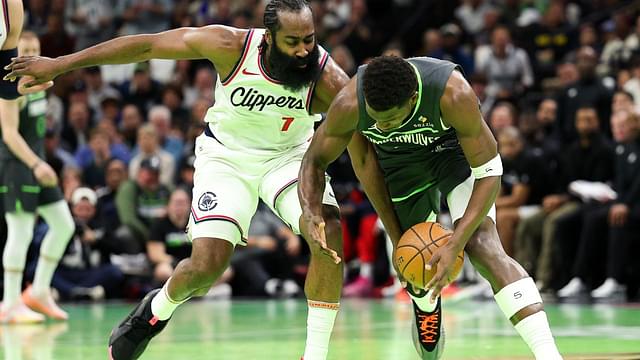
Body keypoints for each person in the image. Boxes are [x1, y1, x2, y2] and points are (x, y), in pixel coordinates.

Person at [6, 1, 349, 359]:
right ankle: (155, 312)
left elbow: (359, 141)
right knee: (205, 268)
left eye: (308, 39)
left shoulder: (326, 77)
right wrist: (61, 64)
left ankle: (315, 354)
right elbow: (148, 45)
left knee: (328, 232)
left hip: (289, 158)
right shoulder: (229, 46)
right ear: (268, 39)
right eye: (292, 41)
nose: (303, 50)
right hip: (227, 158)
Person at [298, 55, 562, 360]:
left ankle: (549, 354)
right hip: (400, 166)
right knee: (415, 266)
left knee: (483, 246)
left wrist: (456, 243)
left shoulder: (453, 92)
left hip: (454, 155)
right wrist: (313, 212)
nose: (382, 126)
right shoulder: (349, 104)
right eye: (377, 119)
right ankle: (426, 306)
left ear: (412, 99)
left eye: (391, 120)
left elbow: (489, 173)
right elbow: (327, 161)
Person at [0, 10, 74, 324]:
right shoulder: (10, 84)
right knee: (21, 232)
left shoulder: (41, 81)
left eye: (33, 51)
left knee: (64, 225)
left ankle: (39, 291)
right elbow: (9, 133)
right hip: (17, 165)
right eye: (24, 51)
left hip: (36, 164)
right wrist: (38, 164)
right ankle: (10, 302)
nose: (29, 56)